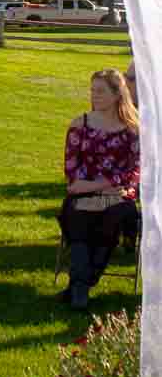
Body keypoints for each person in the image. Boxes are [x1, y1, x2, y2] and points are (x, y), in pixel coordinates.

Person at [59, 68, 139, 310]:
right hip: (84, 193)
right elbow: (72, 174)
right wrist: (103, 184)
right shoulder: (79, 125)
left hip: (118, 196)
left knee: (114, 217)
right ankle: (81, 288)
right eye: (92, 90)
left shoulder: (132, 130)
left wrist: (111, 186)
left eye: (101, 91)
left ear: (117, 94)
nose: (94, 95)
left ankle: (79, 286)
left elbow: (135, 172)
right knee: (76, 215)